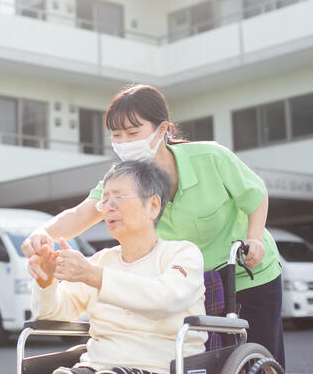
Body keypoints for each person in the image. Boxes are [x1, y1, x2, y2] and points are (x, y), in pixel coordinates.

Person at [22, 84, 285, 368]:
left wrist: (254, 238)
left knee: (261, 354)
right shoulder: (121, 182)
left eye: (133, 133)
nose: (124, 142)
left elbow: (255, 195)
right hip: (193, 280)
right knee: (205, 355)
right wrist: (43, 235)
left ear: (162, 130)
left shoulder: (210, 158)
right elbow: (81, 214)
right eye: (116, 135)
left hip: (245, 267)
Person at [30, 160, 207, 374]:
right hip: (95, 367)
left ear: (153, 206)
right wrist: (46, 280)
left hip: (159, 367)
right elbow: (51, 316)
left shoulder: (183, 254)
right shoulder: (100, 261)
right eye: (104, 200)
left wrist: (92, 275)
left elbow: (164, 299)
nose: (109, 206)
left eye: (118, 197)